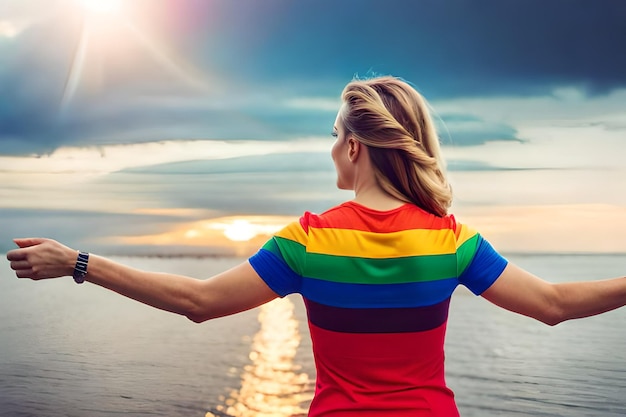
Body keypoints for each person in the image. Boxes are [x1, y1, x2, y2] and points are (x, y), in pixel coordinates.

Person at [6, 75, 626, 417]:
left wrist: (79, 263)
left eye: (335, 136)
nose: (331, 147)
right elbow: (553, 303)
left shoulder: (309, 239)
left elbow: (196, 301)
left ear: (355, 146)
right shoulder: (452, 239)